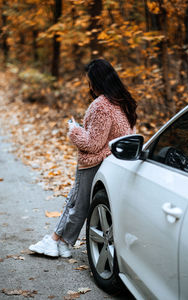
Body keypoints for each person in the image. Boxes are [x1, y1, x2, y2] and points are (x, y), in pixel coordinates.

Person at [29, 59, 137, 258]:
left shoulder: (102, 105)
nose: (90, 86)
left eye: (90, 81)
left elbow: (93, 143)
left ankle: (54, 241)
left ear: (98, 81)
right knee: (79, 201)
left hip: (96, 160)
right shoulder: (121, 102)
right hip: (114, 161)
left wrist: (74, 131)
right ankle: (63, 243)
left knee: (76, 202)